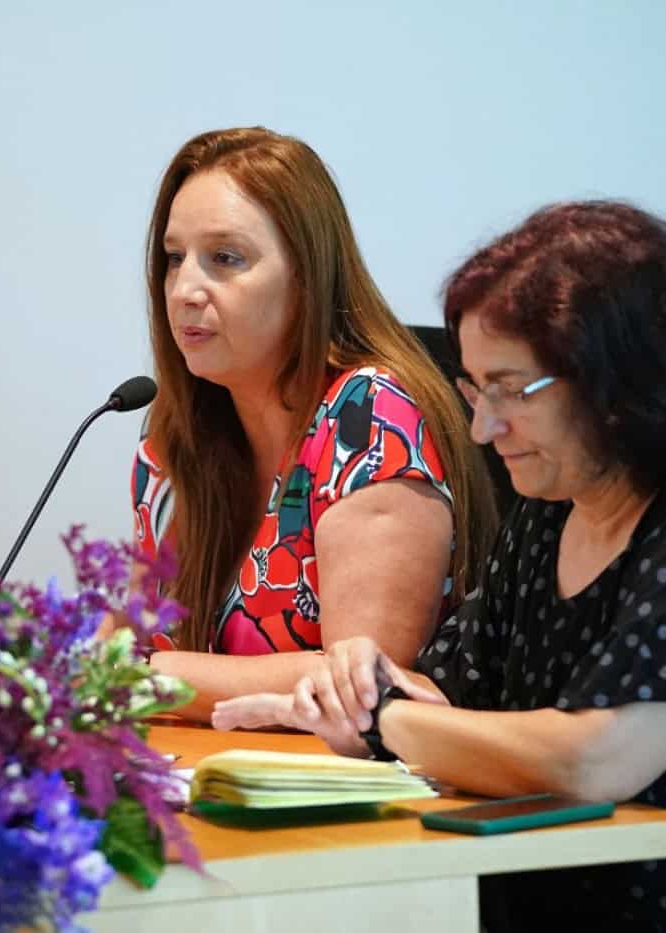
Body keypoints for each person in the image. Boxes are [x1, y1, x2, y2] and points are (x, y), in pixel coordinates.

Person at [213, 200, 666, 931]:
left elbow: (592, 759)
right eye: (477, 391)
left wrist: (381, 720)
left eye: (512, 390)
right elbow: (448, 701)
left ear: (620, 380)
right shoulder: (550, 512)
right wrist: (346, 689)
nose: (484, 427)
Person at [133, 127, 498, 721]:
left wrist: (150, 677)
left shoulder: (368, 416)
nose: (185, 289)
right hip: (202, 777)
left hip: (352, 799)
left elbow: (363, 682)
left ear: (307, 277)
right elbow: (117, 647)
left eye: (225, 258)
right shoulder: (171, 441)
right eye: (175, 259)